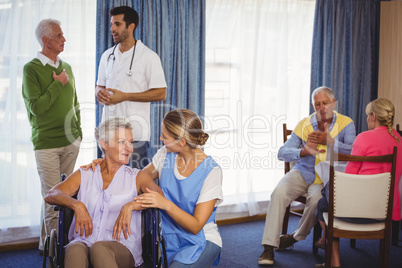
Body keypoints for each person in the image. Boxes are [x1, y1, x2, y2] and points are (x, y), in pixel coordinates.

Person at [45, 117, 163, 268]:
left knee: (99, 248)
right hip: (84, 241)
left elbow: (160, 197)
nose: (130, 148)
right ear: (104, 144)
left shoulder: (137, 176)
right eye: (122, 142)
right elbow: (52, 194)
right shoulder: (85, 173)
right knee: (74, 249)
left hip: (121, 247)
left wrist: (132, 205)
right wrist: (77, 204)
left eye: (131, 142)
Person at [258, 86, 356, 265]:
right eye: (317, 104)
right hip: (302, 172)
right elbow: (282, 152)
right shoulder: (305, 123)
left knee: (317, 201)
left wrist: (332, 142)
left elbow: (354, 152)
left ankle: (295, 237)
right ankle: (268, 247)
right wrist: (302, 152)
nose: (321, 108)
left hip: (325, 180)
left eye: (325, 103)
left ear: (334, 103)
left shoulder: (346, 123)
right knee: (278, 192)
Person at [315, 98, 402, 268]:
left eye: (368, 116)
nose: (367, 119)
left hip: (356, 212)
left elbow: (348, 178)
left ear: (374, 116)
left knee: (323, 202)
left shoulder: (364, 138)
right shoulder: (399, 140)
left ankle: (333, 258)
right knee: (327, 196)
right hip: (384, 212)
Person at [22, 18, 82, 254]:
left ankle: (46, 245)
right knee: (53, 197)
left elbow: (74, 102)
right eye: (59, 36)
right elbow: (36, 107)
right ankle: (56, 252)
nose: (63, 39)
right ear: (46, 40)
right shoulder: (31, 69)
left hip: (70, 141)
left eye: (63, 35)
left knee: (61, 194)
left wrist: (78, 132)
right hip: (46, 144)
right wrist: (57, 84)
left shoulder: (67, 67)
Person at [134, 109, 223, 267]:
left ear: (182, 142)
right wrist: (105, 165)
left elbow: (196, 226)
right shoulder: (165, 156)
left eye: (165, 136)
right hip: (170, 239)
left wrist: (164, 203)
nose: (160, 138)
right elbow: (139, 178)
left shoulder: (211, 171)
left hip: (201, 241)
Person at [96, 6, 167, 170]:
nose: (112, 28)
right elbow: (99, 86)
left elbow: (161, 93)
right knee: (107, 184)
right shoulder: (107, 56)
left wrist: (125, 96)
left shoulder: (149, 57)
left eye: (117, 24)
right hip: (108, 135)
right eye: (111, 24)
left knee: (134, 186)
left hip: (135, 135)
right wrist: (99, 93)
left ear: (131, 26)